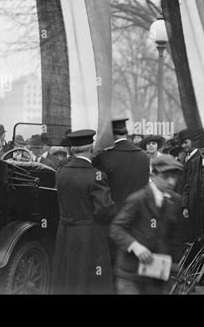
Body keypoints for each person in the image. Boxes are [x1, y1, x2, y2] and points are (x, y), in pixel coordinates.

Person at [51, 129, 116, 294]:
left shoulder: (61, 173)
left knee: (67, 276)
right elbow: (104, 211)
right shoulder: (96, 176)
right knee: (90, 279)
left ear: (73, 149)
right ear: (91, 147)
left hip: (64, 232)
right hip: (88, 235)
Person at [109, 155, 184, 294]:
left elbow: (174, 236)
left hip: (157, 273)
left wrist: (174, 263)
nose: (171, 182)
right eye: (166, 176)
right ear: (153, 175)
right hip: (130, 272)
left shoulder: (175, 201)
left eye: (174, 177)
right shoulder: (138, 199)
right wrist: (135, 246)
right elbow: (116, 228)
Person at [93, 118, 150, 214]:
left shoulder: (104, 157)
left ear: (110, 134)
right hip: (137, 213)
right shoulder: (143, 156)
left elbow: (100, 190)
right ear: (126, 132)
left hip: (114, 215)